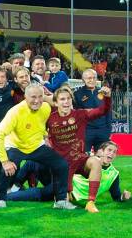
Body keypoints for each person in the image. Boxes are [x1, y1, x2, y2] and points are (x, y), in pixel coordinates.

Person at [0, 84, 73, 209]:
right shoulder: (15, 112)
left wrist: (45, 136)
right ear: (25, 97)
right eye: (33, 97)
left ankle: (60, 201)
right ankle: (0, 199)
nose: (37, 100)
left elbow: (40, 123)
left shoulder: (45, 107)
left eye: (40, 97)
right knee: (7, 168)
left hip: (36, 145)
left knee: (61, 164)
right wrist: (5, 161)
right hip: (16, 146)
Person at [46, 85, 112, 213]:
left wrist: (107, 98)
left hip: (79, 159)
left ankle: (90, 202)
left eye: (68, 98)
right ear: (56, 102)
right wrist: (44, 138)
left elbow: (102, 110)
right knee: (63, 201)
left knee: (96, 162)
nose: (66, 102)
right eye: (62, 99)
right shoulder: (50, 118)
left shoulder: (80, 114)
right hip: (62, 164)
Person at [6, 141, 132, 204]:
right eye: (109, 150)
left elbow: (116, 196)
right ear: (100, 152)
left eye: (114, 152)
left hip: (68, 192)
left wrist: (123, 197)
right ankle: (13, 188)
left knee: (39, 193)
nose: (111, 154)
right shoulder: (89, 161)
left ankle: (6, 196)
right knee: (32, 163)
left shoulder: (113, 174)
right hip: (65, 186)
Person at [74, 69, 112, 153]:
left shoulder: (103, 92)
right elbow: (75, 114)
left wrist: (108, 130)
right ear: (83, 80)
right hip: (86, 131)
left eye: (94, 77)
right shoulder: (77, 94)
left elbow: (108, 112)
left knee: (102, 157)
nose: (92, 80)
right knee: (84, 156)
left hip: (102, 131)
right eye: (89, 78)